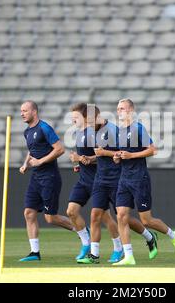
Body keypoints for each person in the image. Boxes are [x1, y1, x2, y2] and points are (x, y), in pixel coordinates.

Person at [76, 106, 159, 264]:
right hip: (100, 179)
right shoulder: (94, 132)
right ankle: (94, 255)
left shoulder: (113, 130)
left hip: (116, 178)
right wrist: (87, 161)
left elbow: (118, 154)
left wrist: (103, 154)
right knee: (95, 215)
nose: (88, 125)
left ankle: (149, 236)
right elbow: (100, 155)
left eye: (90, 121)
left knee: (123, 217)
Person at [112, 99, 175, 266]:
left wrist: (131, 156)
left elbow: (152, 150)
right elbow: (123, 154)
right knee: (121, 216)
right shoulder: (119, 132)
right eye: (117, 109)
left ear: (130, 110)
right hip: (124, 179)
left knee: (146, 220)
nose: (119, 111)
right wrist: (118, 157)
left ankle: (174, 235)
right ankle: (129, 256)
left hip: (139, 178)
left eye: (122, 108)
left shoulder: (138, 128)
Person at [66, 103, 123, 262]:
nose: (73, 120)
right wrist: (79, 164)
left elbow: (102, 158)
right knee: (71, 211)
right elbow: (88, 158)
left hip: (98, 180)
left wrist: (83, 159)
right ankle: (86, 243)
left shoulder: (95, 133)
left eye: (75, 117)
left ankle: (118, 247)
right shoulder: (79, 134)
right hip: (84, 180)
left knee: (105, 217)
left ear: (85, 118)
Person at [19, 100, 74, 262]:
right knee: (29, 213)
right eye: (21, 111)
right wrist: (25, 164)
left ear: (34, 112)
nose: (22, 113)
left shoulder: (44, 128)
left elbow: (60, 149)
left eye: (25, 111)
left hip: (49, 177)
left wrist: (41, 161)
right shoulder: (27, 132)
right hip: (35, 177)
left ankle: (81, 230)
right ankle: (34, 253)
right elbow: (32, 150)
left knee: (51, 218)